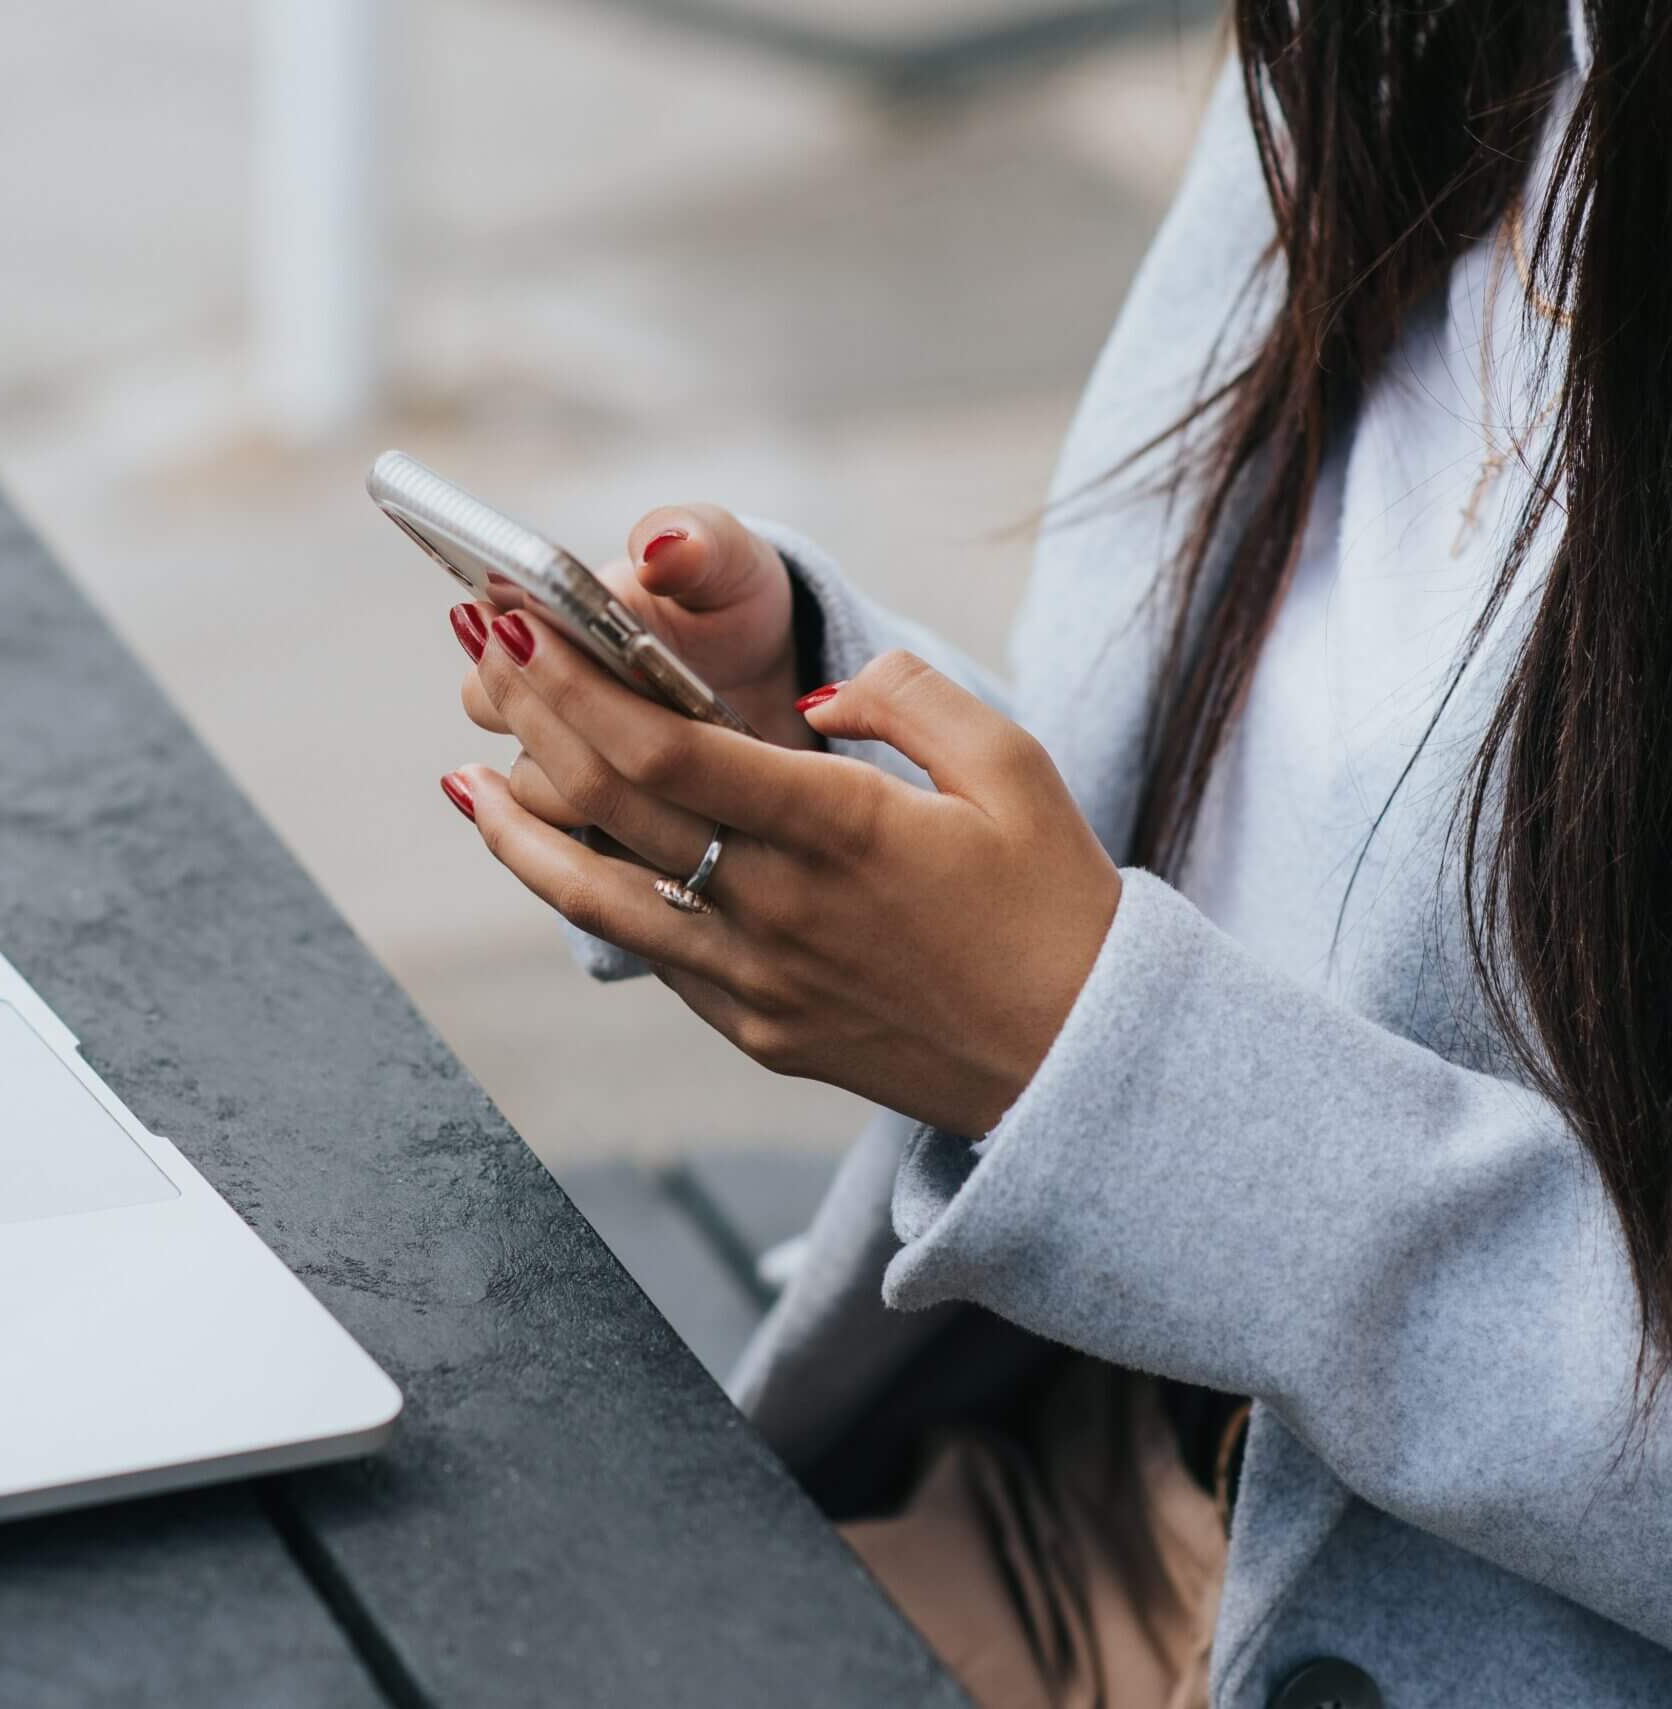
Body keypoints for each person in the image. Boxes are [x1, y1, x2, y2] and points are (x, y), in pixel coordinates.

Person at [434, 6, 1672, 1706]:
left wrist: (1085, 1059)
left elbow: (1154, 1057)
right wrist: (814, 744)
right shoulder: (1395, 50)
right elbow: (1283, 876)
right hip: (1048, 1491)